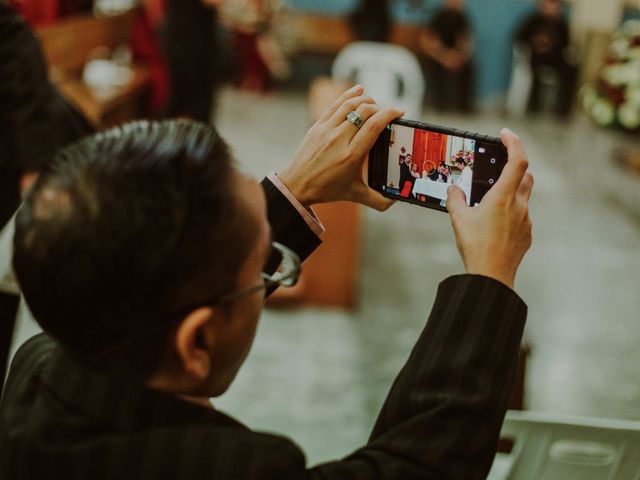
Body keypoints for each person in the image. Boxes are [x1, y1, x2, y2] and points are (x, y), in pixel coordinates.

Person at [0, 86, 534, 479]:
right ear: (198, 343)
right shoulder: (239, 468)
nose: (271, 273)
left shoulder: (37, 367)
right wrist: (490, 275)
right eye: (268, 261)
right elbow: (417, 466)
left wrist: (295, 187)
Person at [515, 0, 578, 116]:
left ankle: (563, 108)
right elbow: (519, 37)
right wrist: (535, 44)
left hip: (555, 58)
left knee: (571, 69)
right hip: (537, 57)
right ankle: (534, 107)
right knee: (536, 72)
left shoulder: (561, 24)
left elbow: (566, 44)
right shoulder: (533, 20)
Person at [419, 0, 475, 112]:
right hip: (439, 56)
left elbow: (466, 40)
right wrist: (444, 57)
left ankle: (463, 106)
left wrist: (459, 57)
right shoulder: (438, 17)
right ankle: (439, 104)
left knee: (469, 68)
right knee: (435, 69)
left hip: (455, 56)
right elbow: (429, 41)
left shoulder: (461, 18)